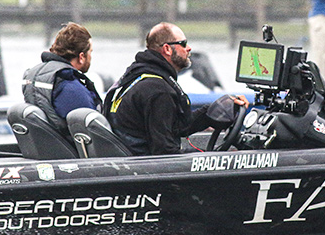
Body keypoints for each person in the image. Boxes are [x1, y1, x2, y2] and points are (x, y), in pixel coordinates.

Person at [105, 22, 246, 155]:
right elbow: (165, 153)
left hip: (129, 156)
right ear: (167, 49)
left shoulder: (138, 75)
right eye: (183, 44)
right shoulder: (158, 90)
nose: (189, 48)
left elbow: (176, 126)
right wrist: (213, 156)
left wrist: (213, 111)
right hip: (141, 166)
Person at [22, 22, 102, 133]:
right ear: (81, 57)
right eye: (90, 52)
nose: (91, 57)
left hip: (44, 141)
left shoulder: (33, 76)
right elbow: (94, 128)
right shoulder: (70, 86)